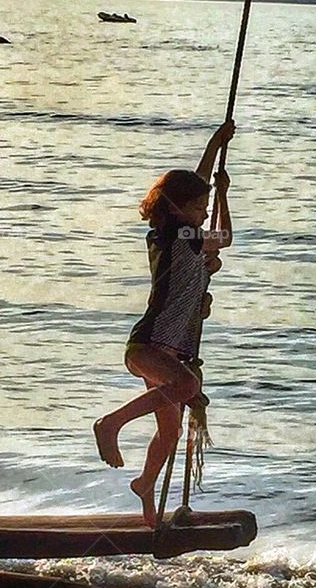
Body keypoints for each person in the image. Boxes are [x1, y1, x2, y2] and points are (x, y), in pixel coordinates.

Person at [94, 120, 235, 526]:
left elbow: (195, 185)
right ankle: (110, 424)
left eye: (205, 207)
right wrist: (224, 196)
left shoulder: (179, 230)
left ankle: (145, 487)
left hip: (169, 350)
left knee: (170, 433)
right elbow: (222, 236)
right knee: (186, 387)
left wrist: (214, 144)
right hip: (150, 345)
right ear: (176, 208)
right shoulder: (178, 234)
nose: (204, 213)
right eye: (199, 208)